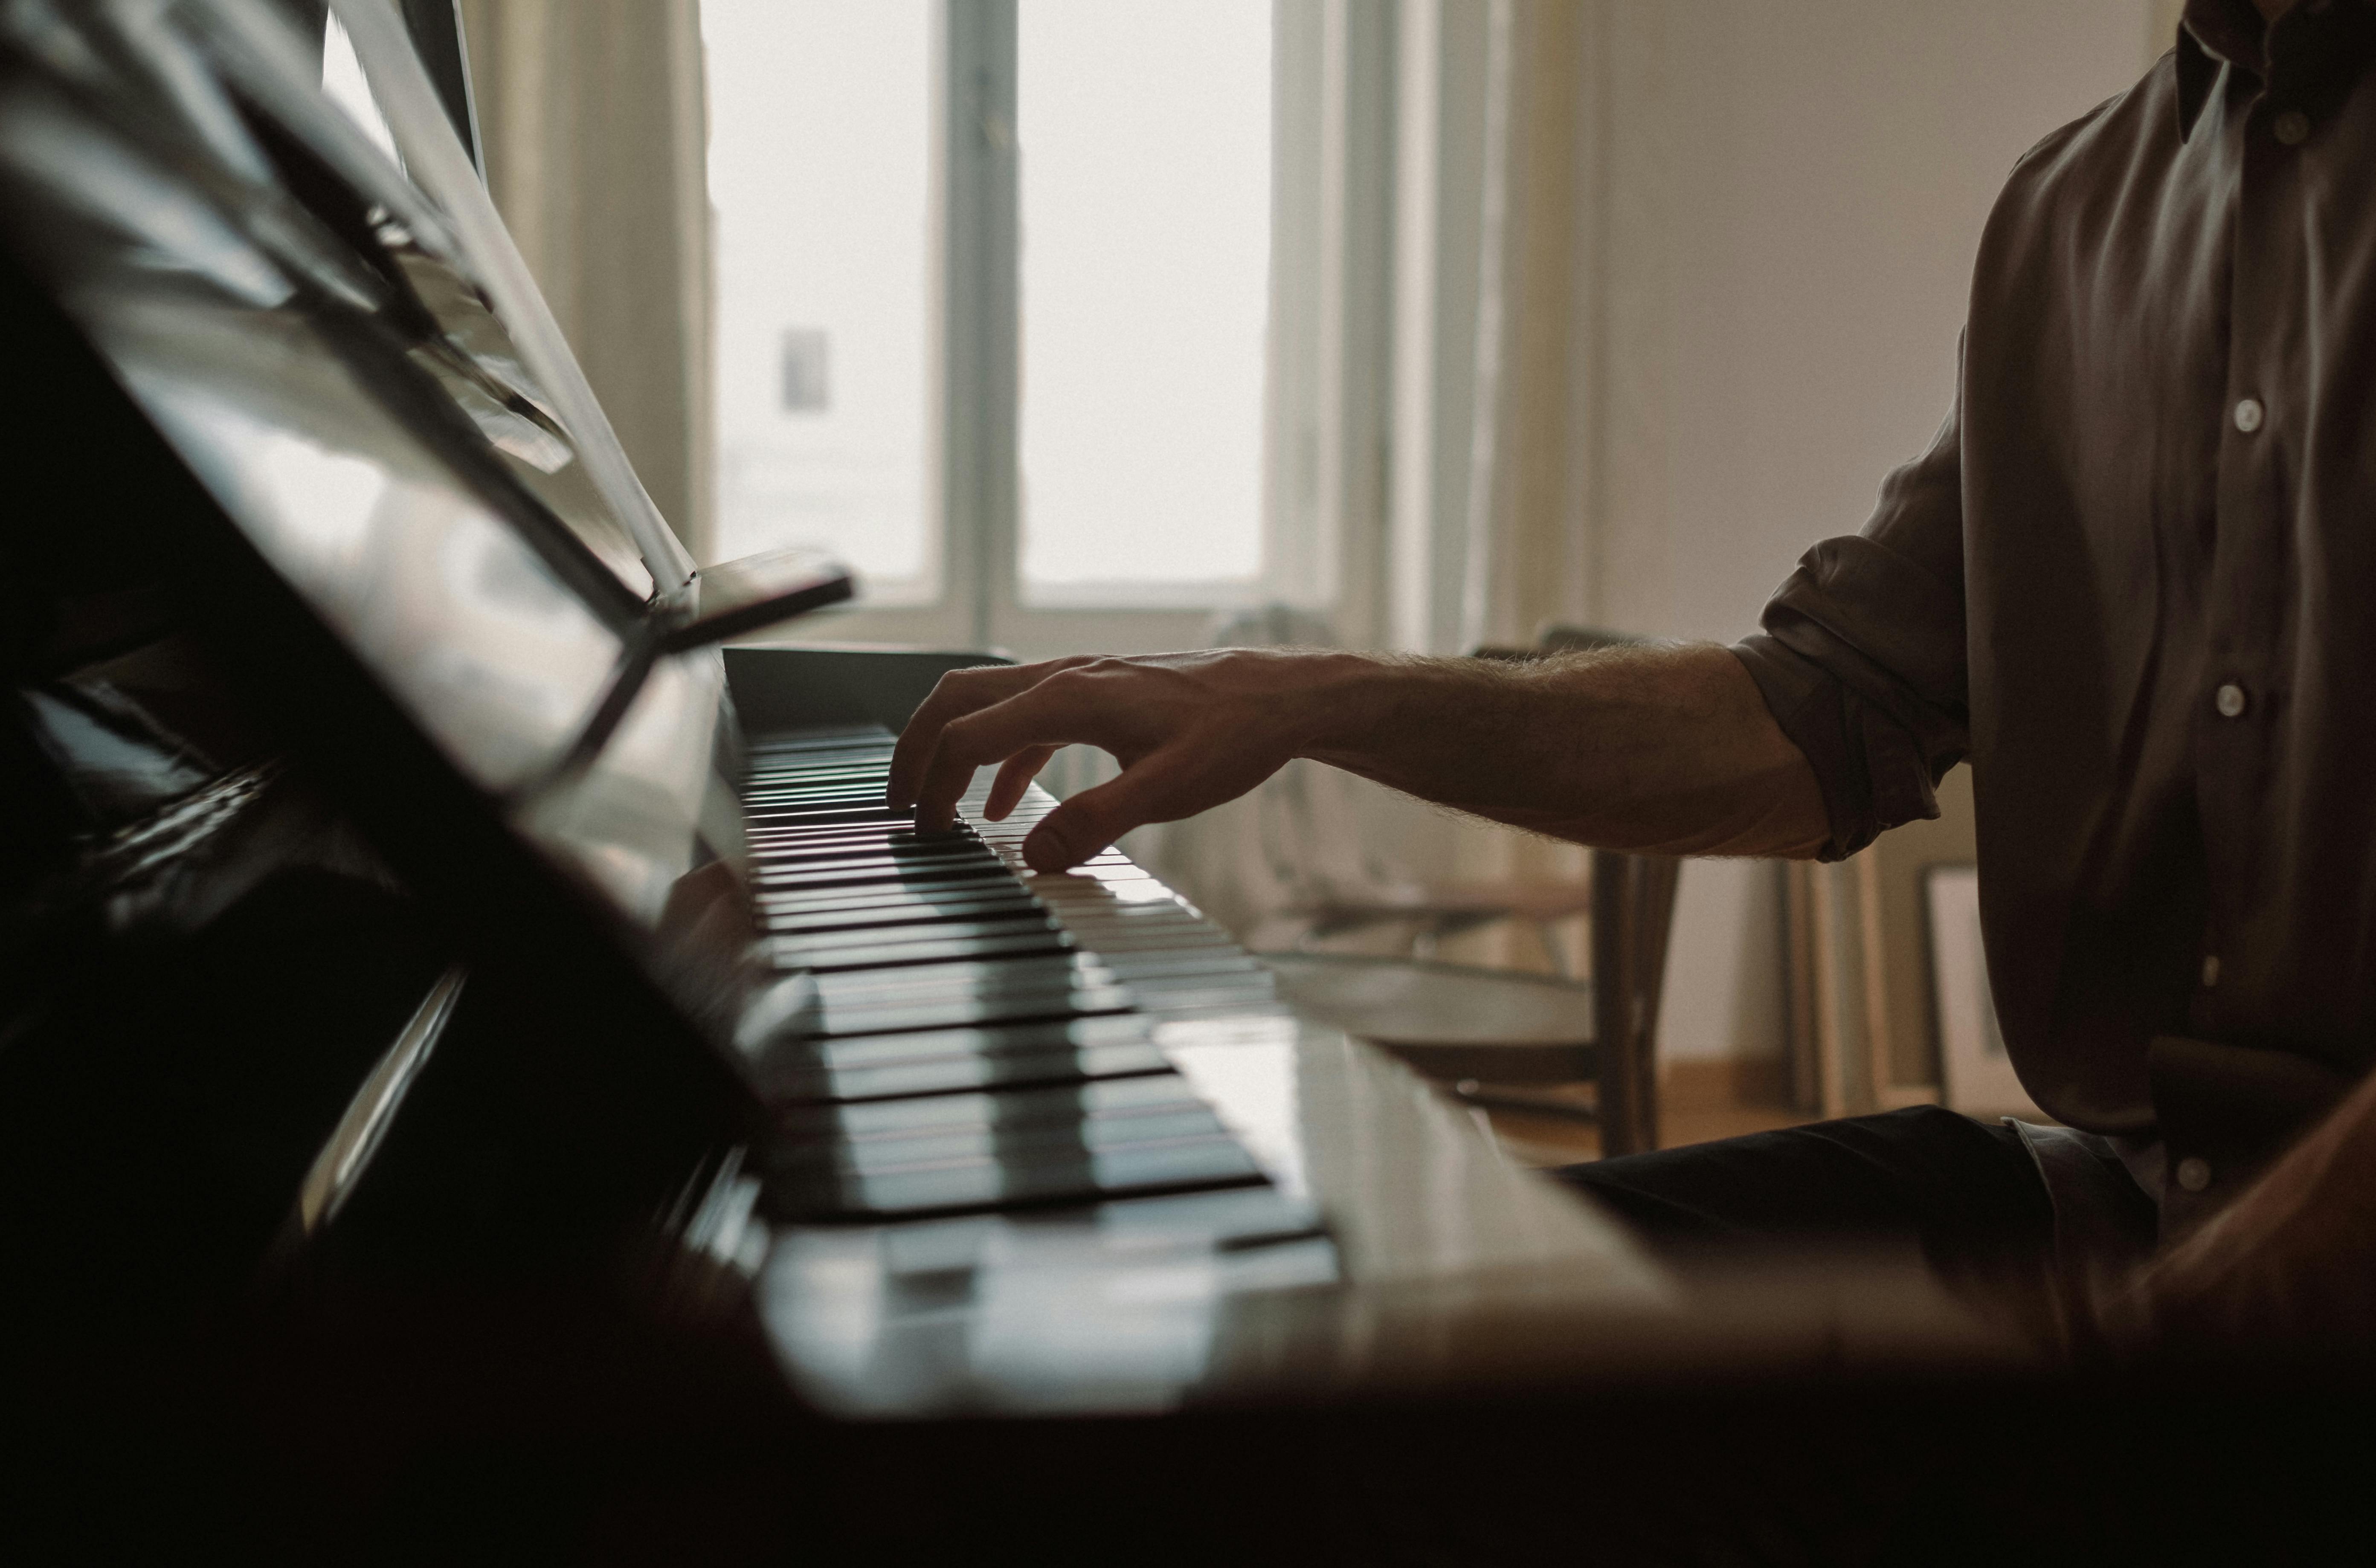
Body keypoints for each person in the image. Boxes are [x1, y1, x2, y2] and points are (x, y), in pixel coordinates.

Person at [889, 0, 2376, 1356]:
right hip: (2111, 1216)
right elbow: (1812, 713)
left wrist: (2172, 1356)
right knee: (1326, 1345)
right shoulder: (2071, 215)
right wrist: (1302, 701)